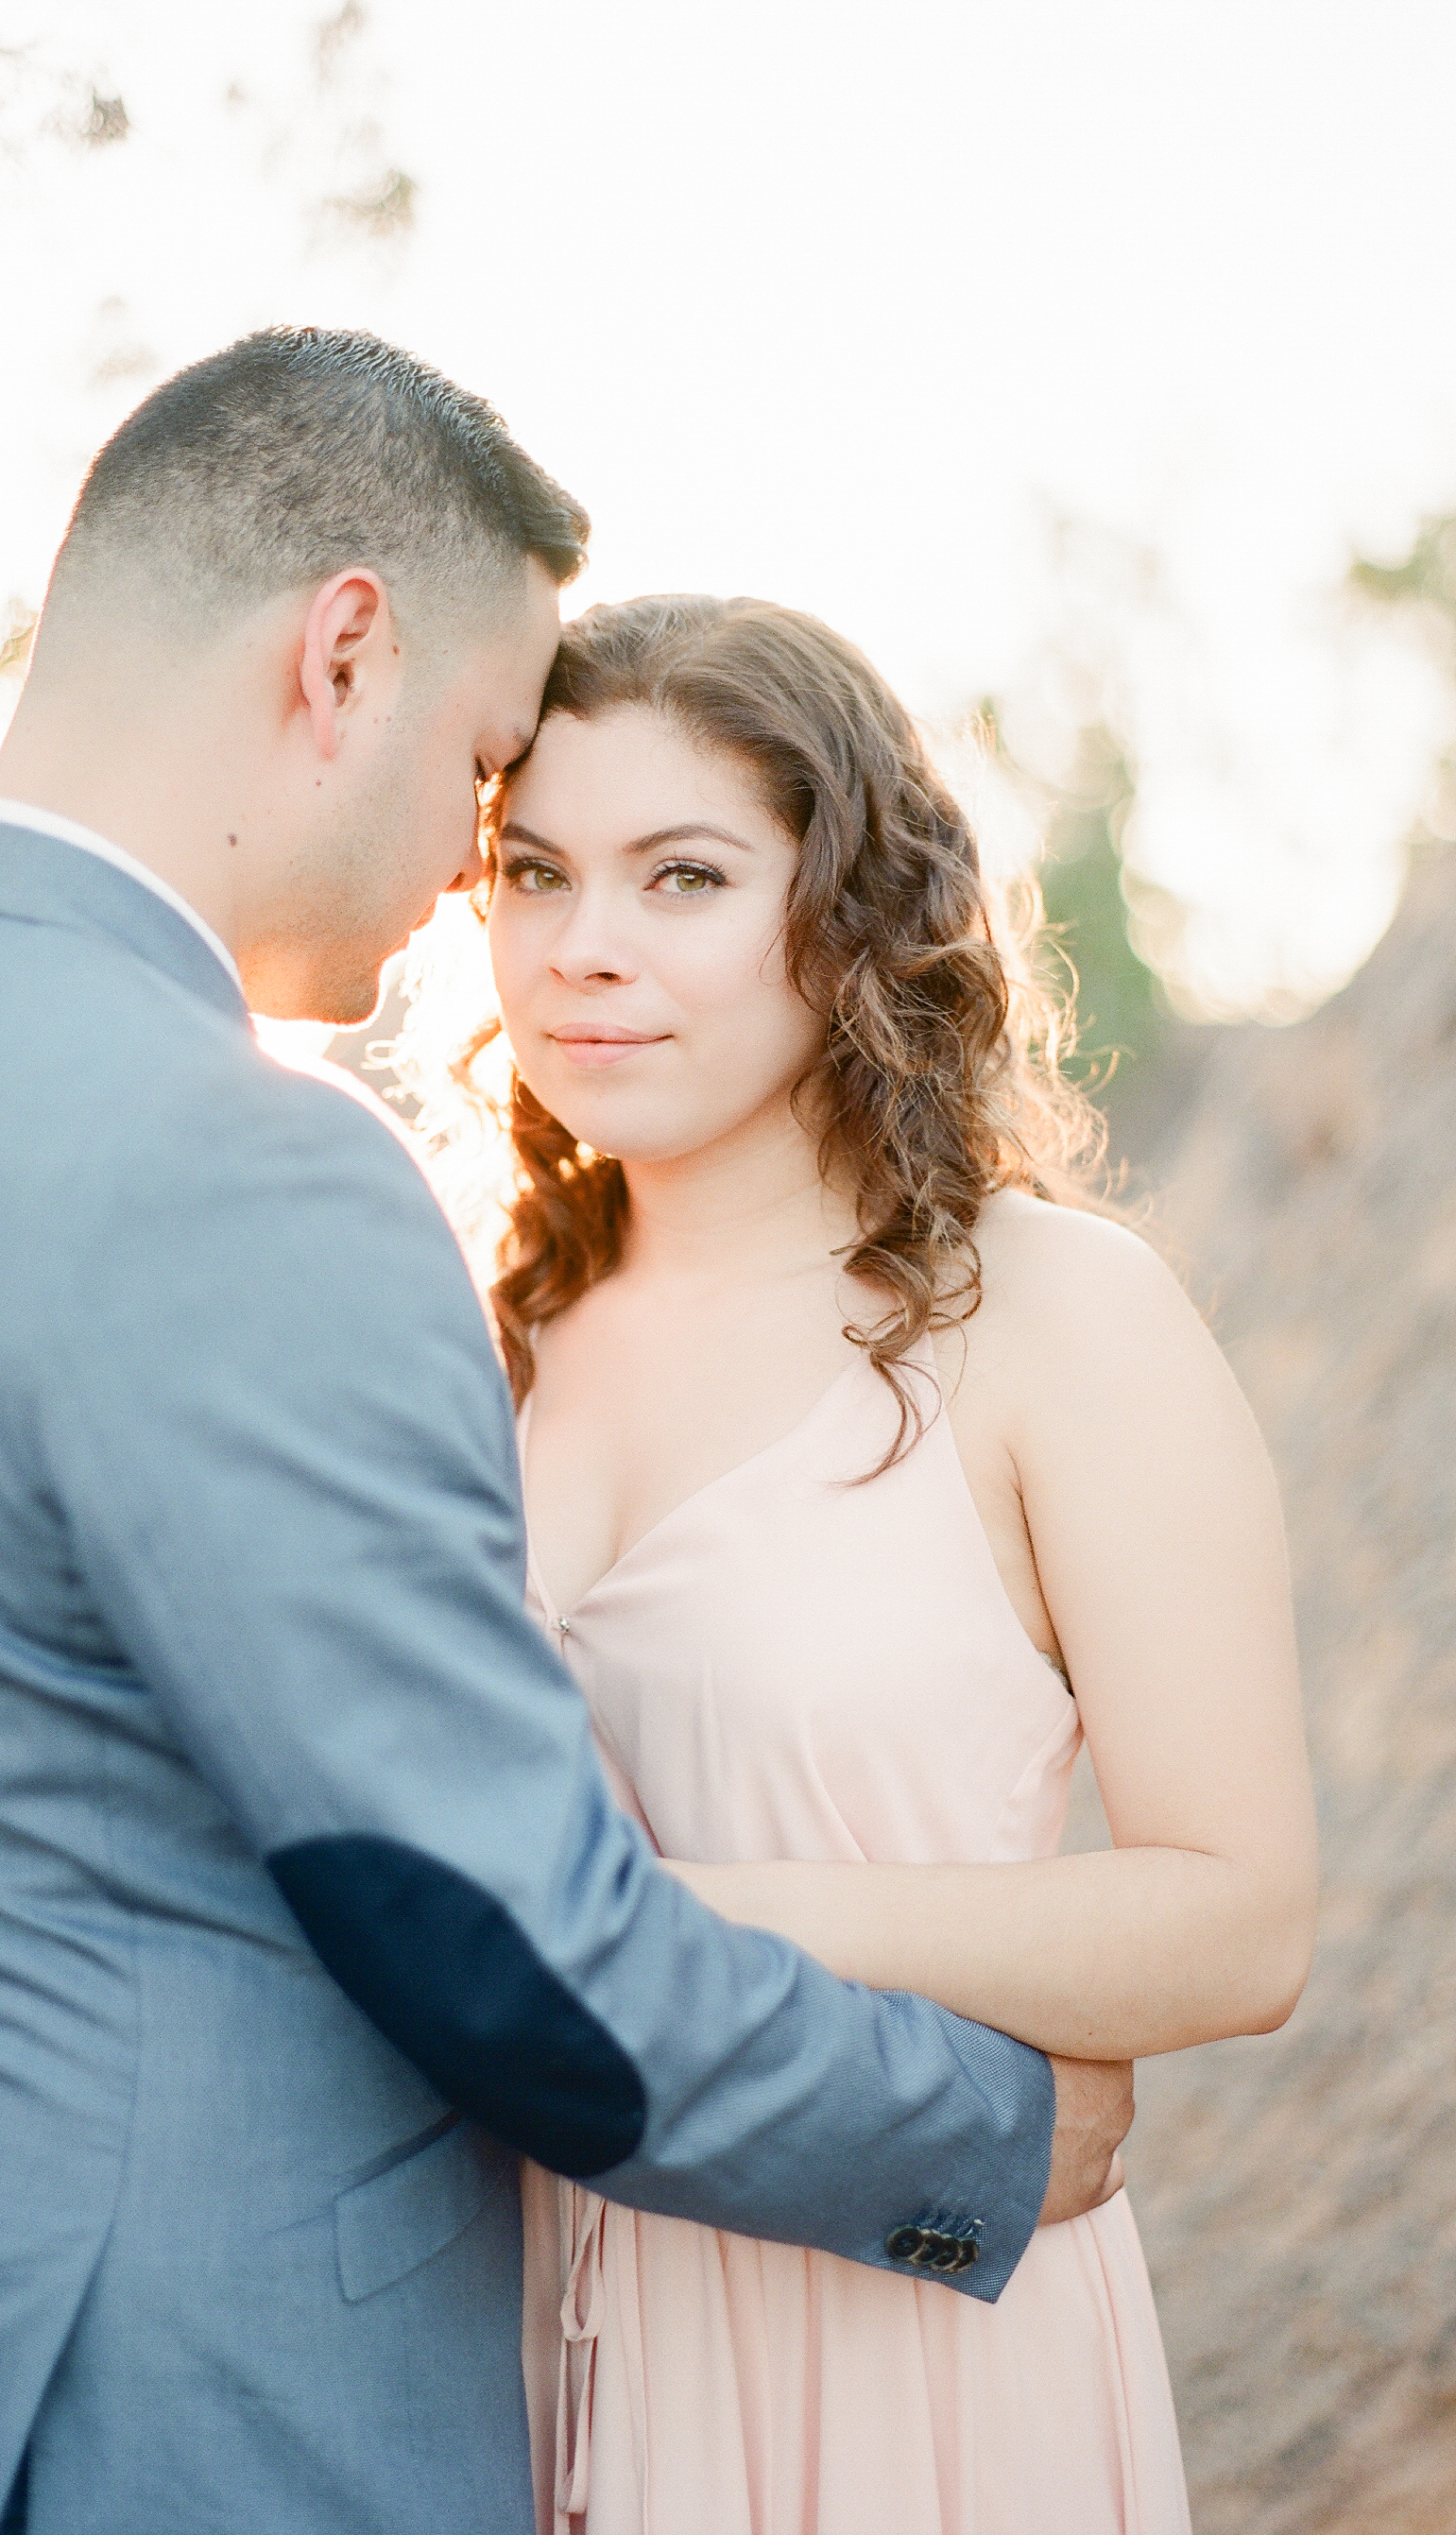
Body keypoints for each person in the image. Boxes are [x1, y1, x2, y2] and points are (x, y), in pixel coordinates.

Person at [0, 335, 1128, 2535]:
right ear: (342, 652)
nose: (473, 867)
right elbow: (500, 1949)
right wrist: (981, 2147)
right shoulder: (252, 1163)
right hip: (185, 2415)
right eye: (484, 765)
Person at [464, 594, 1319, 2535]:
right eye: (533, 872)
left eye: (682, 875)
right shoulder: (488, 1348)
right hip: (541, 2350)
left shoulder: (1045, 1312)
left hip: (915, 2341)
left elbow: (1237, 1917)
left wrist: (669, 1915)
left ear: (839, 908)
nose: (584, 944)